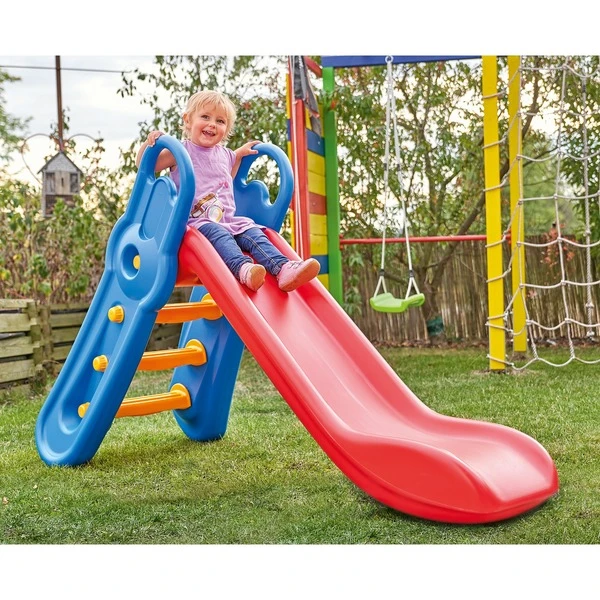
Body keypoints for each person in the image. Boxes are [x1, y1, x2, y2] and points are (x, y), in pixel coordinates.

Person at [135, 90, 320, 292]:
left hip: (229, 220)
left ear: (227, 129)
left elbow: (225, 178)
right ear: (188, 120)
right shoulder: (180, 151)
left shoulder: (225, 155)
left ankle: (283, 268)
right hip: (197, 224)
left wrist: (239, 154)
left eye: (220, 121)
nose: (212, 124)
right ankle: (243, 269)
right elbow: (144, 164)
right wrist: (150, 143)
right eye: (205, 117)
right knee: (221, 236)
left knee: (254, 233)